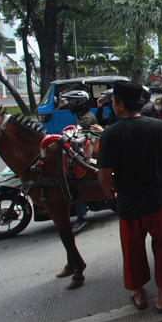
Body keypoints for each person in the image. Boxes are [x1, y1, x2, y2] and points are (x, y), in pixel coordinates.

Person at [97, 81, 162, 313]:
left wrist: (109, 192)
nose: (112, 105)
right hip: (158, 200)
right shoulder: (158, 127)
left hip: (128, 204)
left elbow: (104, 175)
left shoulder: (109, 134)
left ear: (120, 105)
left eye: (112, 102)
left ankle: (139, 295)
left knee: (132, 251)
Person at [61, 90, 98, 235]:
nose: (70, 105)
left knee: (74, 178)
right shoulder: (81, 116)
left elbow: (76, 133)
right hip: (85, 150)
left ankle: (81, 216)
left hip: (92, 153)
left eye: (73, 102)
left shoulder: (87, 118)